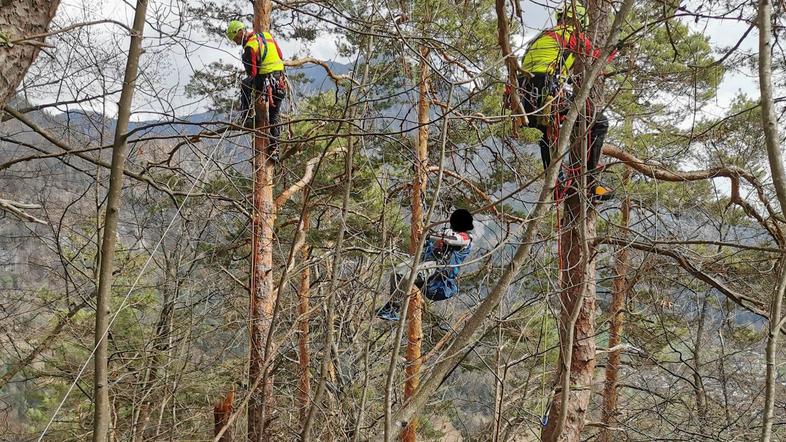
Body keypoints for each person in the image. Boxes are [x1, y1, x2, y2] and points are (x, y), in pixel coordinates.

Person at [519, 1, 615, 200]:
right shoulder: (570, 34)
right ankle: (591, 185)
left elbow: (545, 67)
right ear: (580, 22)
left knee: (547, 134)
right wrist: (616, 48)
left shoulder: (542, 38)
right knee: (598, 123)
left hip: (524, 98)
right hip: (544, 92)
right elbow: (598, 58)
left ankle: (556, 186)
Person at [377, 209, 474, 322]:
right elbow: (431, 243)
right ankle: (390, 308)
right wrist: (426, 238)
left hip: (438, 266)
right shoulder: (445, 232)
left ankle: (393, 308)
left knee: (408, 277)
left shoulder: (466, 238)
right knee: (396, 272)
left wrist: (433, 236)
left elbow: (453, 240)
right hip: (426, 259)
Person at [225, 20, 287, 160]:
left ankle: (247, 117)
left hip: (265, 81)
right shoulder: (267, 36)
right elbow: (280, 54)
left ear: (239, 32)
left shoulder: (250, 47)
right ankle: (275, 149)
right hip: (279, 80)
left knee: (245, 84)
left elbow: (252, 72)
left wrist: (247, 60)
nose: (236, 42)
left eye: (235, 39)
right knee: (274, 115)